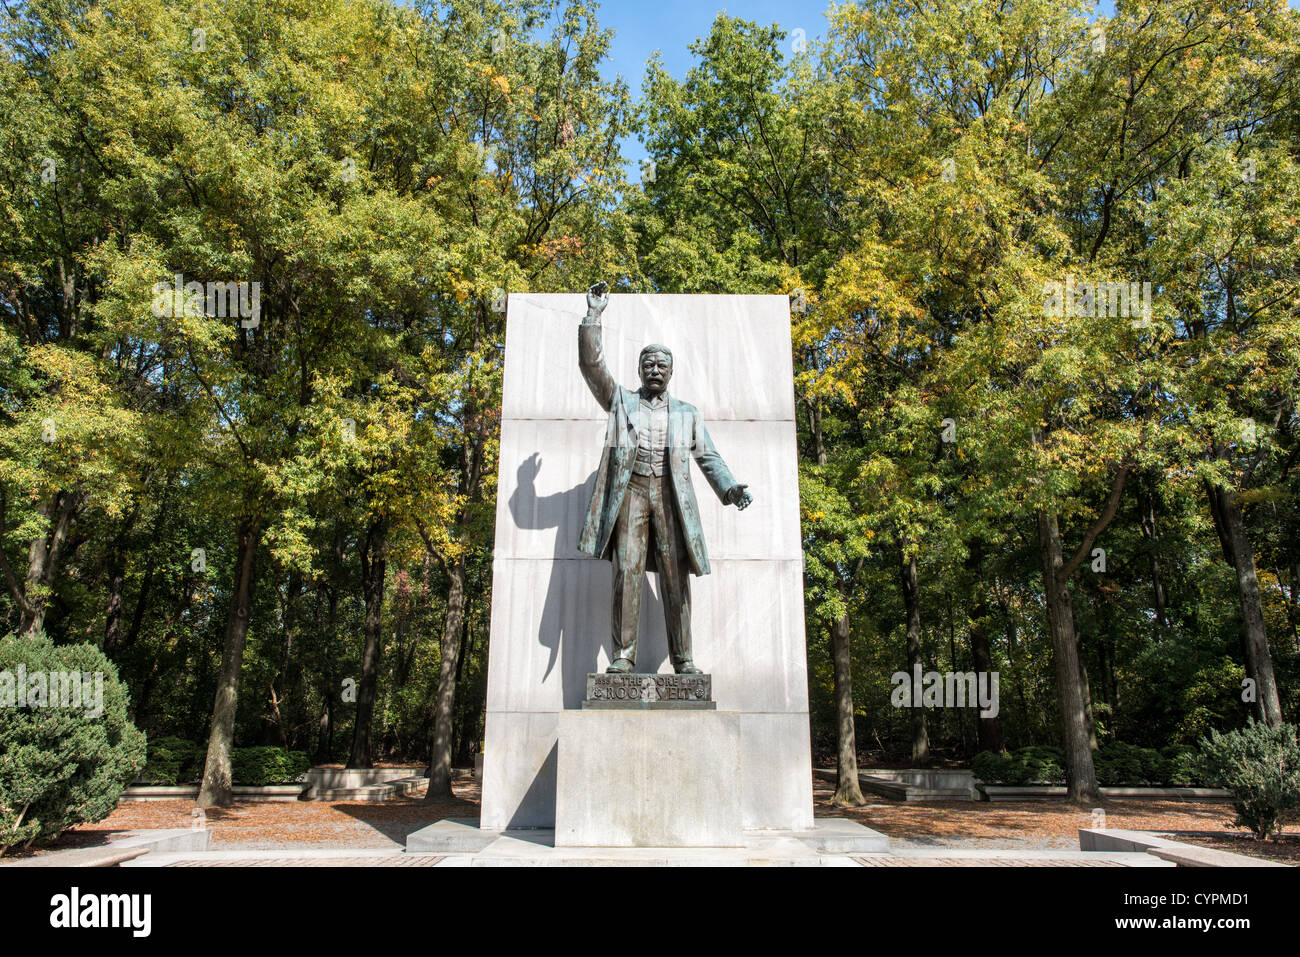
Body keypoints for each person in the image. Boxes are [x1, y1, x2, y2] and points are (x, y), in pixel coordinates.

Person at [576, 281, 753, 675]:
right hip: (631, 494)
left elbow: (708, 455)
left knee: (677, 578)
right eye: (649, 365)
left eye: (662, 366)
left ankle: (684, 659)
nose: (655, 370)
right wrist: (593, 315)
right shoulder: (620, 400)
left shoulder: (687, 413)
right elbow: (592, 366)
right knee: (627, 573)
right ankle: (624, 655)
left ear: (671, 373)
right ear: (639, 370)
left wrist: (729, 487)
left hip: (671, 499)